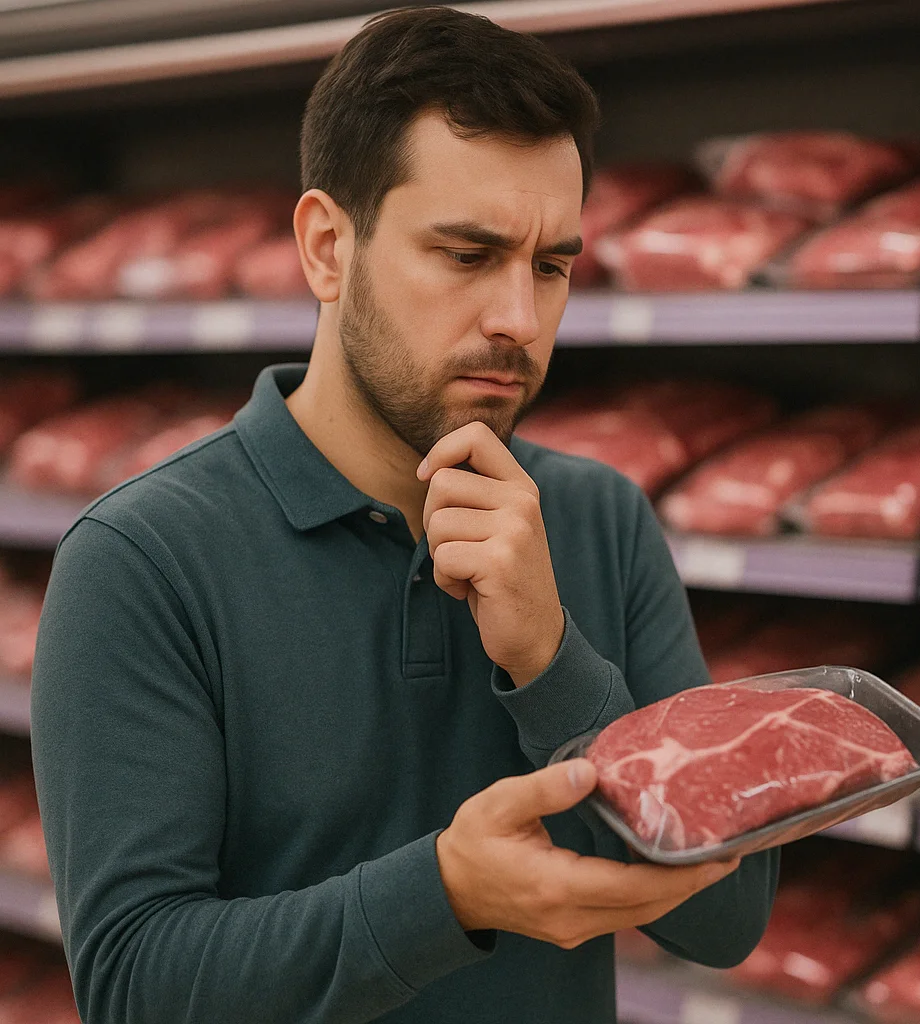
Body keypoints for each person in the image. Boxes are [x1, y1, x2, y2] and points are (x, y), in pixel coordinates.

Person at [29, 7, 777, 1022]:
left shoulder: (600, 519)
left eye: (551, 264)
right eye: (467, 255)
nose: (518, 316)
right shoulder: (143, 559)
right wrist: (448, 894)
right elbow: (135, 987)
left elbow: (727, 921)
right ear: (328, 248)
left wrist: (553, 663)